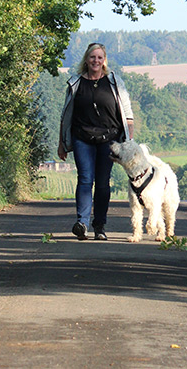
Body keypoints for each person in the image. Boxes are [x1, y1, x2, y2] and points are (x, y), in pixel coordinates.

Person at [58, 42, 134, 240]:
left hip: (109, 139)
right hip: (82, 137)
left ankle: (99, 225)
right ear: (86, 59)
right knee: (85, 179)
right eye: (92, 57)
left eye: (100, 58)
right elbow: (66, 115)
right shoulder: (75, 83)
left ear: (104, 60)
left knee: (102, 183)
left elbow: (127, 113)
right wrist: (62, 143)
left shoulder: (114, 82)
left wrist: (128, 140)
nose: (96, 61)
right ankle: (82, 223)